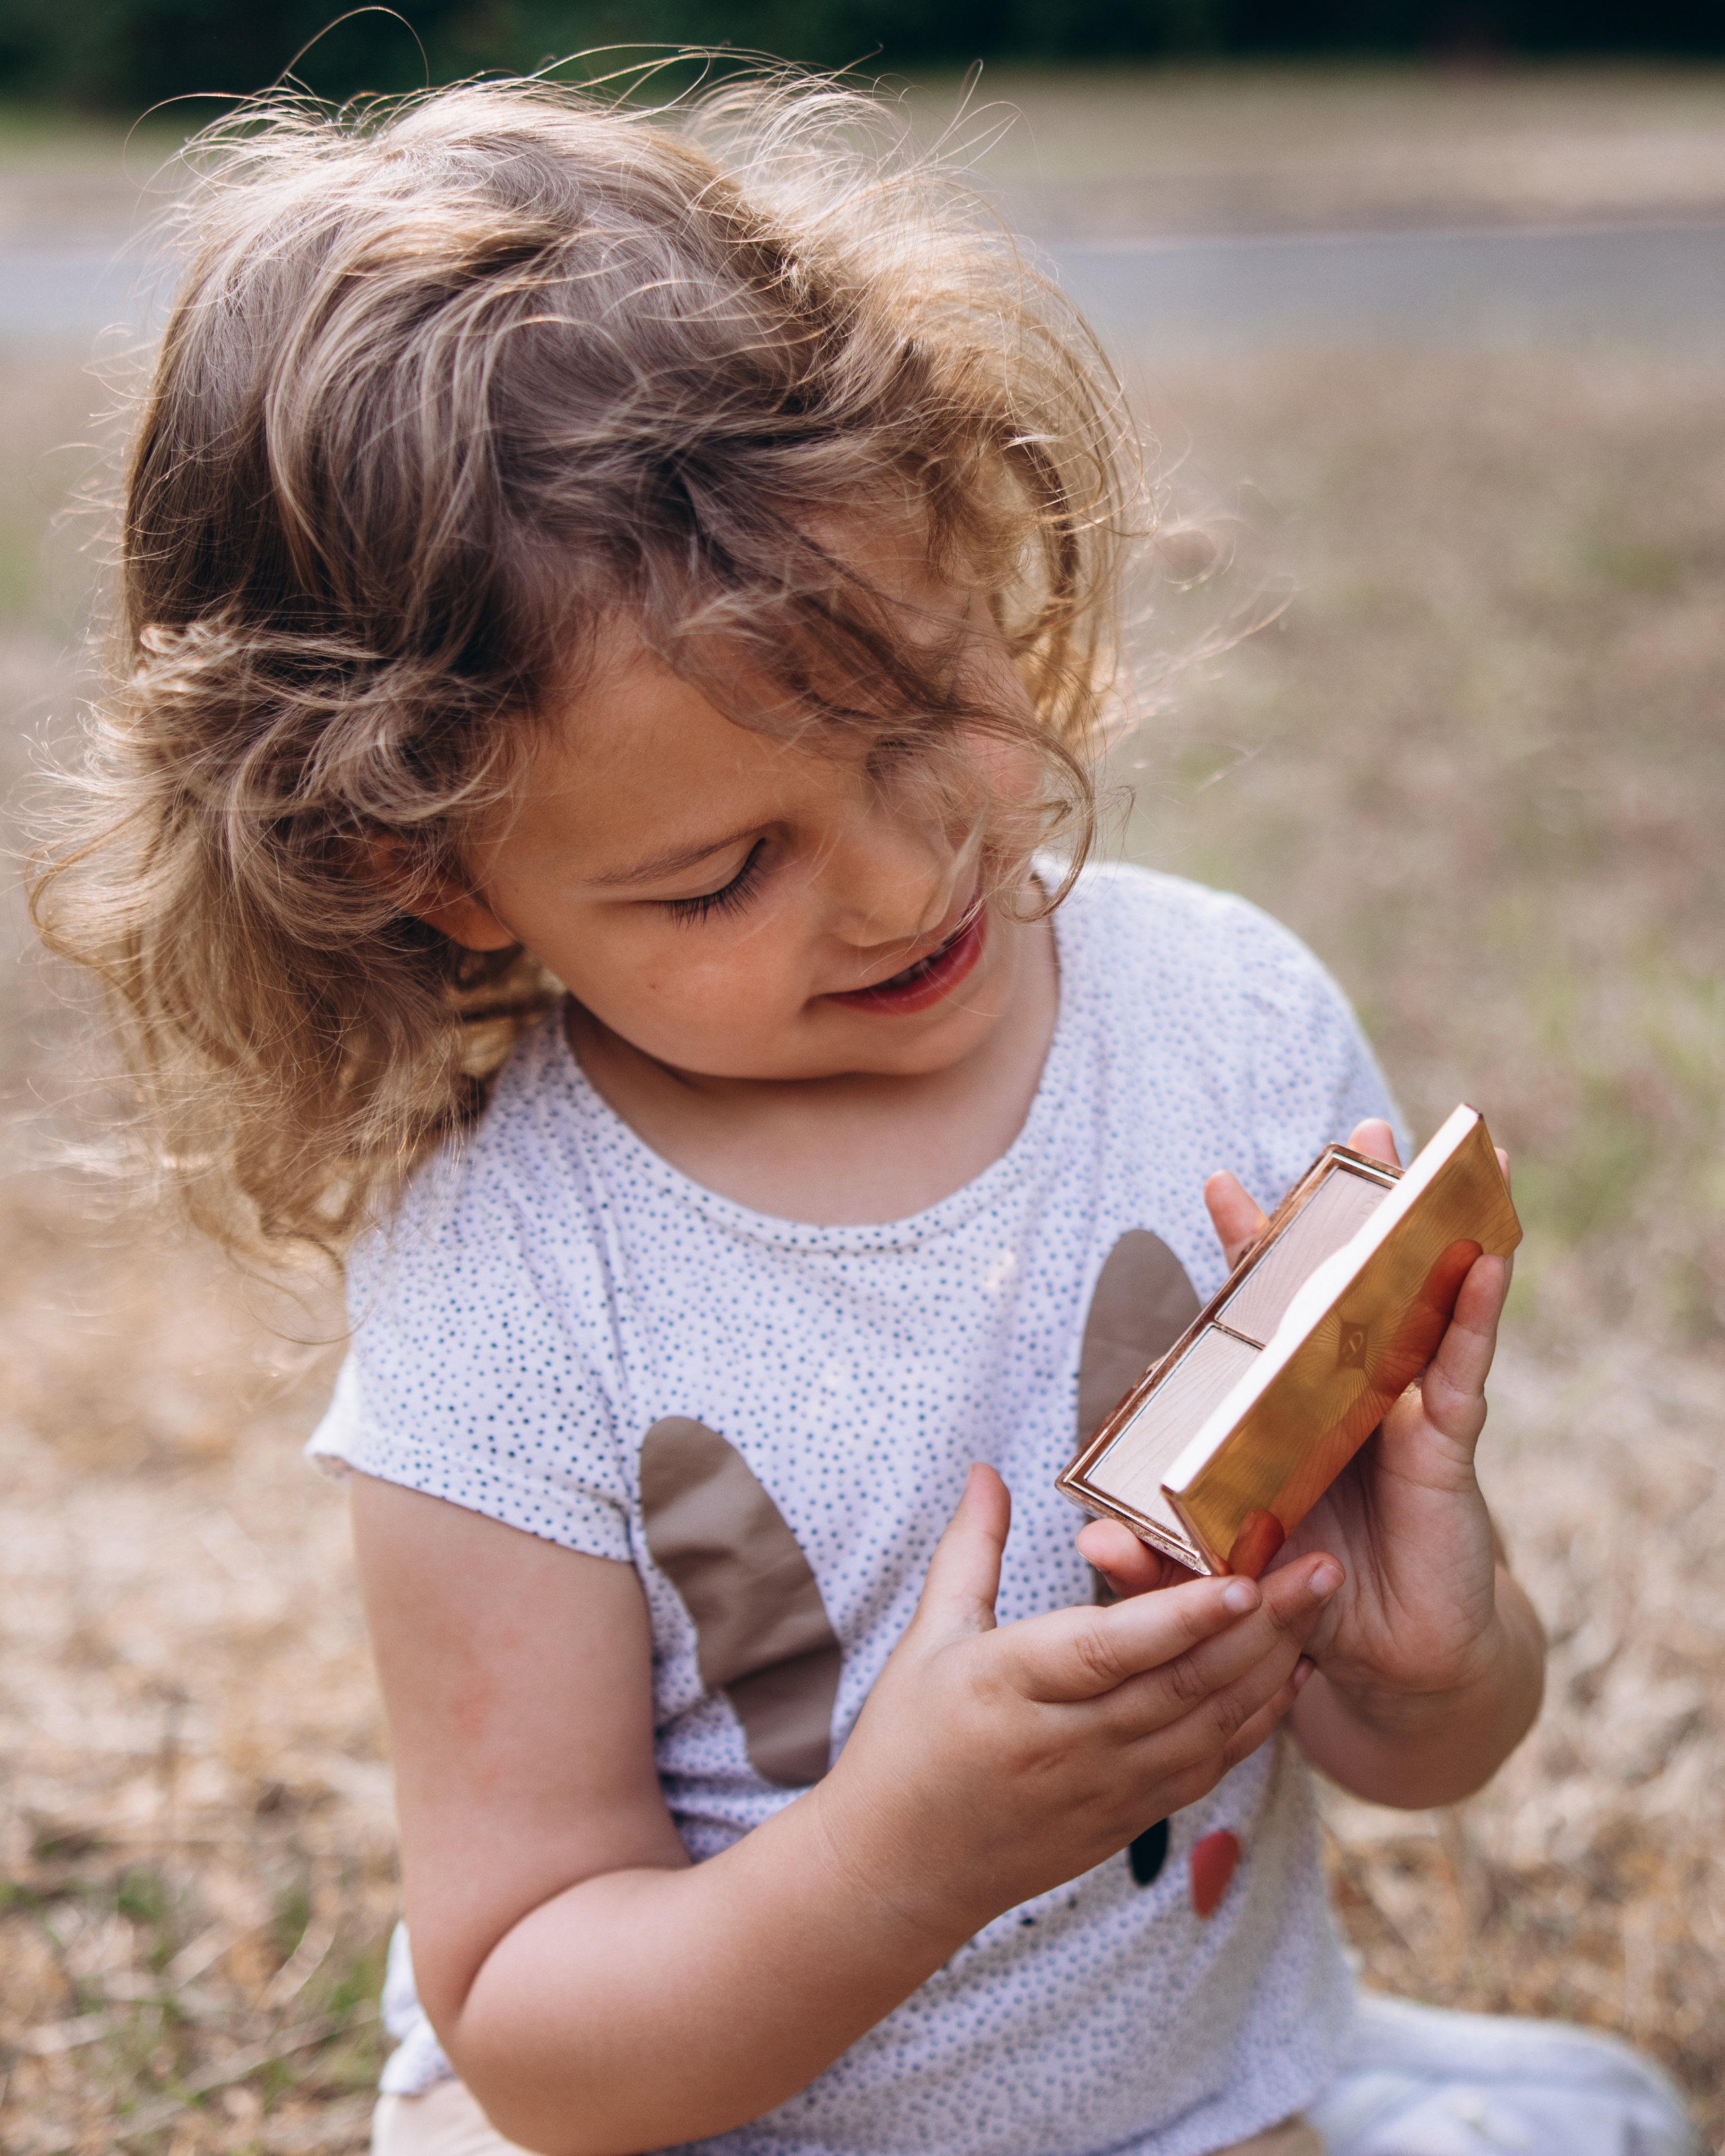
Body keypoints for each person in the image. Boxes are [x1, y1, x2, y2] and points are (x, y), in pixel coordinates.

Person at [34, 69, 1693, 2156]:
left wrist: (1429, 1655)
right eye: (725, 871)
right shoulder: (512, 1269)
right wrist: (905, 1851)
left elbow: (1423, 1751)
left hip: (1182, 2105)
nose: (911, 881)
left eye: (929, 709)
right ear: (433, 876)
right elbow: (533, 2024)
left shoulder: (1238, 1020)